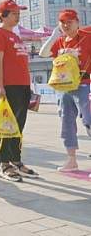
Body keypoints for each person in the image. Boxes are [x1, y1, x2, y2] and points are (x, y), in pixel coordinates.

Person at [0, 0, 39, 182]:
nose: (18, 16)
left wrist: (28, 85)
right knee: (6, 126)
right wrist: (1, 86)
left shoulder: (16, 36)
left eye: (18, 13)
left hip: (23, 86)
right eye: (14, 13)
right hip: (9, 87)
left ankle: (16, 160)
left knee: (18, 126)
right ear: (3, 15)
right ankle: (4, 164)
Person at [39, 9, 91, 172]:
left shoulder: (87, 37)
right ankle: (72, 160)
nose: (66, 25)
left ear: (77, 22)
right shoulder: (60, 41)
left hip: (84, 85)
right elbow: (43, 53)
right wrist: (54, 35)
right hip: (64, 89)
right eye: (62, 22)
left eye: (70, 21)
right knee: (66, 123)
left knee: (89, 121)